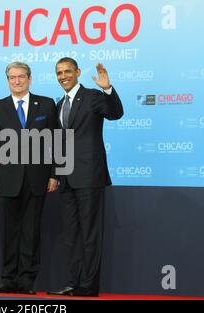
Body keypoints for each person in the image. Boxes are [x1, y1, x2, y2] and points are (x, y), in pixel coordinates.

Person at [48, 58, 123, 297]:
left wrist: (107, 89)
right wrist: (56, 174)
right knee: (71, 235)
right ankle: (73, 282)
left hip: (90, 176)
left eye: (67, 71)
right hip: (66, 179)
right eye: (59, 72)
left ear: (77, 72)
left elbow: (115, 113)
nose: (63, 76)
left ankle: (88, 286)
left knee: (90, 234)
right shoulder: (59, 105)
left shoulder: (92, 96)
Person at [0, 61, 58, 294]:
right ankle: (8, 279)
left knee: (31, 232)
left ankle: (27, 281)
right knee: (10, 232)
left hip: (38, 178)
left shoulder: (46, 105)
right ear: (7, 80)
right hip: (7, 179)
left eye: (21, 77)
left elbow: (56, 141)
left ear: (30, 78)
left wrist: (55, 174)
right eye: (12, 77)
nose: (16, 81)